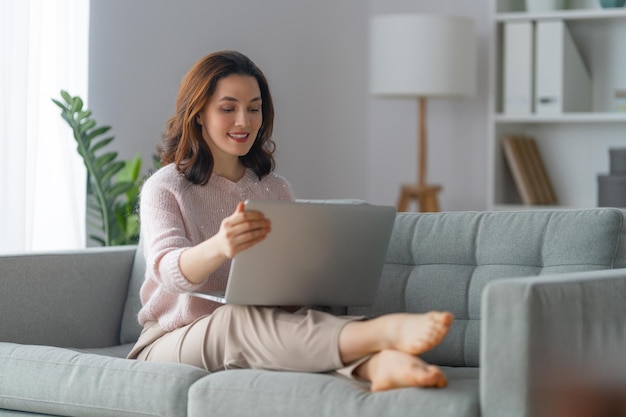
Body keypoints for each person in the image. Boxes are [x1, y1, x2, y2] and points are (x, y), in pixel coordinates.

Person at [128, 50, 454, 391]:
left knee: (290, 321)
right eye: (228, 108)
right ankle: (379, 332)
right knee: (232, 321)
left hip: (259, 326)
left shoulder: (274, 188)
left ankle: (374, 365)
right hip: (169, 337)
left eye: (254, 108)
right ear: (198, 115)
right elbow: (167, 272)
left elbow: (283, 284)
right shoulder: (165, 187)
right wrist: (221, 246)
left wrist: (305, 281)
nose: (244, 121)